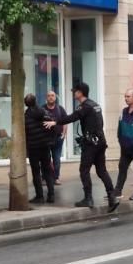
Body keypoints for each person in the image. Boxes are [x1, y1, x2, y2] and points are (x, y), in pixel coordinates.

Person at [44, 82, 118, 210]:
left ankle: (88, 198)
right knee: (102, 171)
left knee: (84, 171)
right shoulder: (95, 105)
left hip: (91, 144)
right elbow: (100, 123)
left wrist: (55, 122)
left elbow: (72, 117)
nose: (73, 93)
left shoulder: (84, 107)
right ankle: (112, 196)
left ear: (80, 92)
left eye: (75, 91)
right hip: (100, 142)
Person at [24, 93, 55, 204]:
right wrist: (49, 139)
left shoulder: (27, 115)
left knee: (36, 172)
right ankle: (51, 195)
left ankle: (39, 196)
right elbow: (51, 125)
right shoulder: (44, 111)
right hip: (45, 145)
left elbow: (26, 132)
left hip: (33, 147)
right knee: (47, 171)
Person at [44, 90, 67, 185]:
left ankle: (56, 178)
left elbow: (65, 121)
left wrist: (64, 133)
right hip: (45, 139)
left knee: (56, 159)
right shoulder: (42, 109)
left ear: (55, 97)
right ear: (46, 97)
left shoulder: (60, 109)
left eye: (52, 95)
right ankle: (45, 178)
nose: (51, 97)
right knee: (45, 159)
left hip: (58, 138)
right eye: (49, 95)